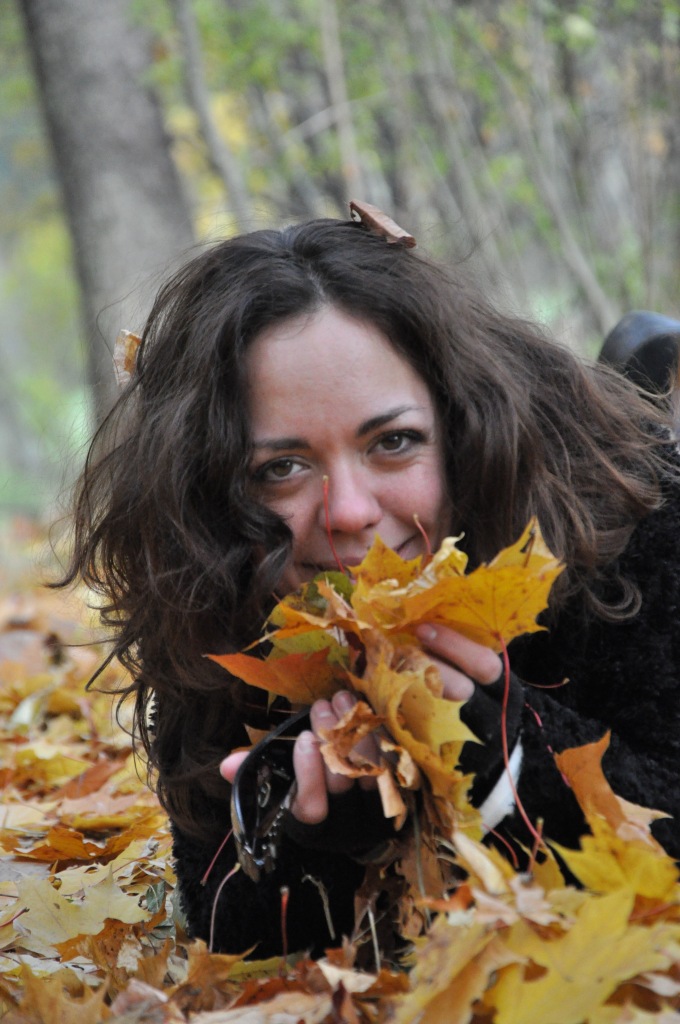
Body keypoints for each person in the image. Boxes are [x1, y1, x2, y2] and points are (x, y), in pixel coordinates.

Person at [62, 207, 680, 963]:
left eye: (394, 442)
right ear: (209, 494)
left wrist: (509, 755)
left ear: (464, 426)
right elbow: (222, 923)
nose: (350, 512)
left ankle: (641, 361)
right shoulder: (213, 587)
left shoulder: (629, 517)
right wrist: (326, 844)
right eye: (281, 468)